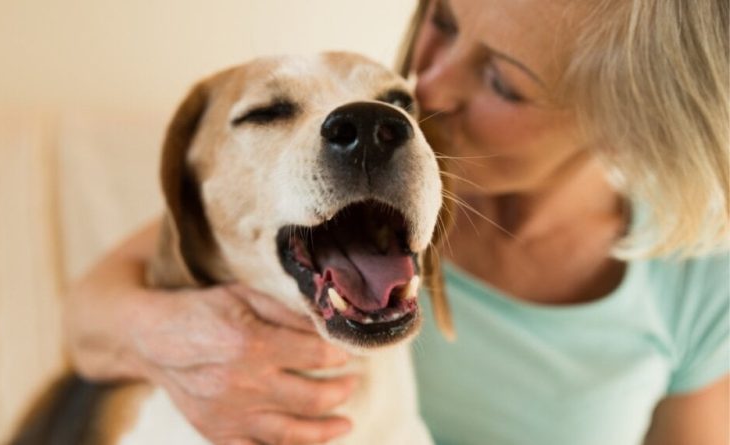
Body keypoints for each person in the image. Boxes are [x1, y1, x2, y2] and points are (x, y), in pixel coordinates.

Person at [63, 0, 729, 443]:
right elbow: (93, 318)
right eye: (442, 18)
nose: (428, 89)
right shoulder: (320, 198)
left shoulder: (700, 277)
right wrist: (186, 343)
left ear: (627, 126)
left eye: (502, 81)